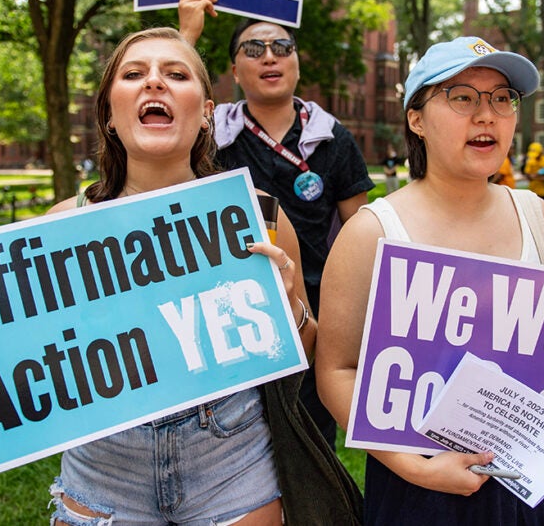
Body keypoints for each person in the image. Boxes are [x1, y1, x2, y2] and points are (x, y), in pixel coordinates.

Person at [315, 36, 544, 525]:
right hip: (418, 494)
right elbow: (336, 371)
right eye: (462, 97)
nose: (487, 115)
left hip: (529, 490)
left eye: (503, 98)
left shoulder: (536, 216)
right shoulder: (372, 232)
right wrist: (414, 467)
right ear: (417, 119)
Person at [44, 27, 362, 525]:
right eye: (134, 74)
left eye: (175, 74)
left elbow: (306, 355)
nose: (154, 83)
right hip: (105, 467)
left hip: (233, 461)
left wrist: (290, 310)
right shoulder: (63, 223)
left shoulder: (263, 219)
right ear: (108, 111)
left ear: (208, 111)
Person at [179, 0, 375, 449]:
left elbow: (357, 240)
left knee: (307, 447)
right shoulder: (209, 138)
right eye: (252, 49)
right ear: (233, 72)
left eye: (282, 47)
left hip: (310, 322)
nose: (269, 56)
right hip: (228, 320)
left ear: (298, 64)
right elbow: (168, 108)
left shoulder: (332, 139)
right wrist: (187, 36)